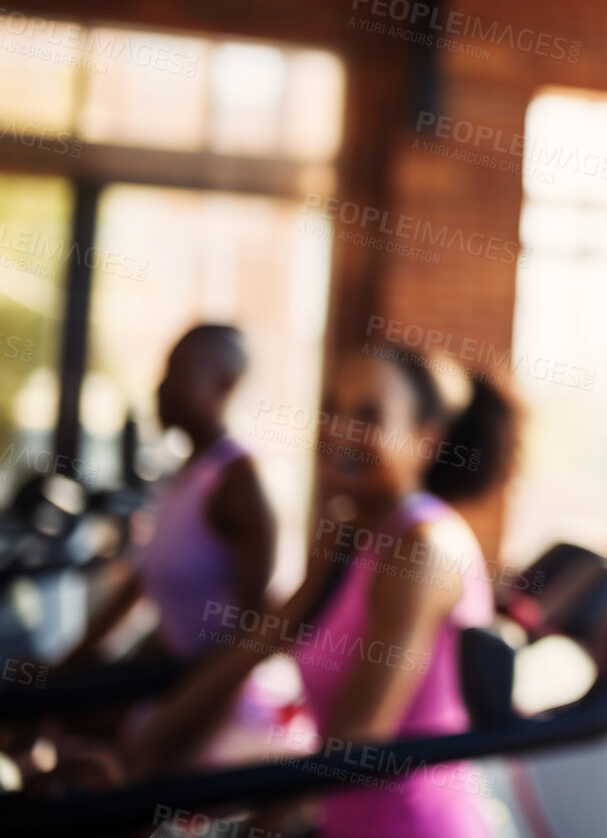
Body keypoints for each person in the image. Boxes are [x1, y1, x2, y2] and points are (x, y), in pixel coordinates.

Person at [125, 345, 520, 837]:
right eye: (332, 408)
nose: (339, 429)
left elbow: (354, 741)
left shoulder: (422, 549)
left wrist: (229, 815)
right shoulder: (347, 532)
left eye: (368, 414)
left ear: (426, 441)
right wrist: (145, 747)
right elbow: (258, 642)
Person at [66, 324, 274, 669]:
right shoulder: (187, 473)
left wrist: (173, 716)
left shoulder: (239, 485)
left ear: (224, 383)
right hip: (168, 678)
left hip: (203, 704)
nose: (161, 387)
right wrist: (72, 662)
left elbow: (250, 632)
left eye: (176, 373)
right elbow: (143, 581)